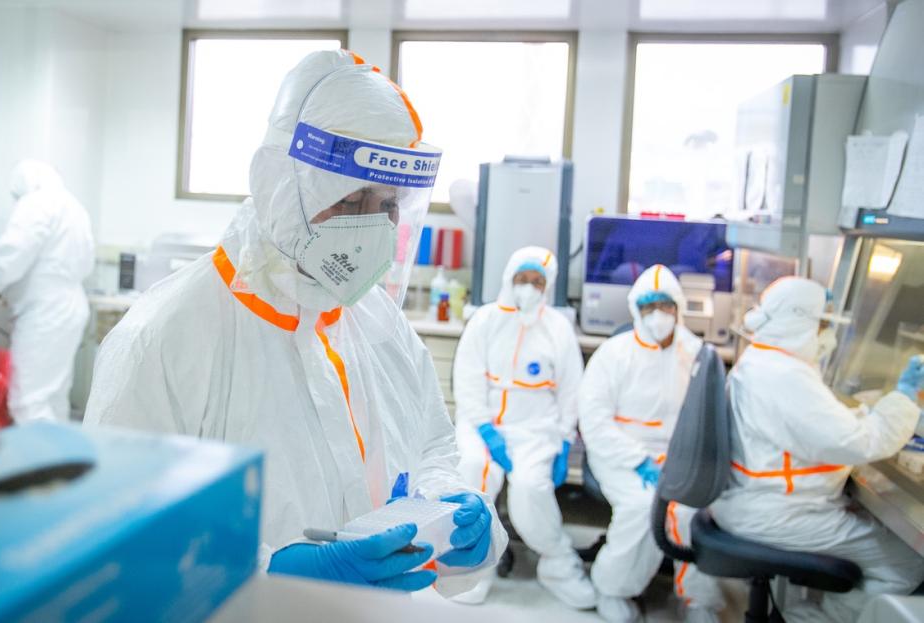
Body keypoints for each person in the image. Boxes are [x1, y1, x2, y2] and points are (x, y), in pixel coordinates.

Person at [84, 50, 506, 595]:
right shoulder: (164, 338)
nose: (371, 227)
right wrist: (267, 573)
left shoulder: (379, 322)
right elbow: (119, 537)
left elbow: (431, 447)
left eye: (388, 204)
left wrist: (450, 509)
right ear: (280, 183)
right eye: (352, 199)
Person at [709, 277, 924, 623]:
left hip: (755, 502)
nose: (827, 334)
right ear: (800, 322)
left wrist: (873, 412)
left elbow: (819, 425)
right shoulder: (784, 375)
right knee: (907, 562)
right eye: (822, 324)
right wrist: (905, 398)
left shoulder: (764, 360)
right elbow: (859, 441)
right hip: (777, 512)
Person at [450, 246, 595, 608]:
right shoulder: (485, 320)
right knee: (475, 473)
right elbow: (466, 380)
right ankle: (472, 569)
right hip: (483, 425)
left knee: (531, 488)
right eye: (522, 279)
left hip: (536, 429)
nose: (528, 288)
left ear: (547, 287)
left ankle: (558, 566)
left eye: (537, 282)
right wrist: (485, 430)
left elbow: (571, 390)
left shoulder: (557, 327)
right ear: (509, 279)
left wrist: (563, 443)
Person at [579, 264, 724, 623]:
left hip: (679, 457)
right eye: (648, 307)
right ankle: (612, 589)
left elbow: (710, 415)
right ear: (635, 310)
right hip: (621, 454)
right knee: (642, 508)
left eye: (666, 306)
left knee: (693, 511)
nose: (658, 315)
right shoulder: (613, 354)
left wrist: (684, 461)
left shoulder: (697, 355)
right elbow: (594, 423)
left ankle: (697, 598)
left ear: (678, 307)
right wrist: (640, 461)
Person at [0, 160, 94, 423]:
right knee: (54, 396)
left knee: (27, 400)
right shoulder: (72, 205)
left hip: (45, 311)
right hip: (69, 305)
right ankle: (62, 458)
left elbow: (10, 258)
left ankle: (39, 462)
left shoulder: (36, 204)